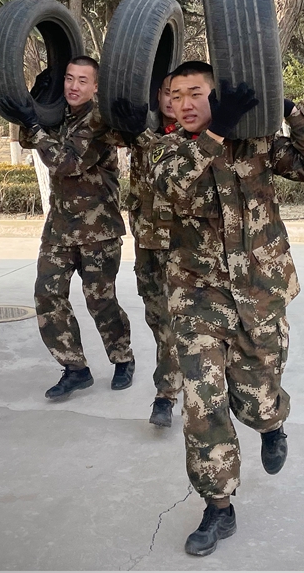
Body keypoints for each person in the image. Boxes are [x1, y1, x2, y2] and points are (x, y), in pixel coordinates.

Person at [151, 60, 304, 556]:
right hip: (198, 297)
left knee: (255, 400)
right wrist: (215, 134)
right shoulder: (167, 149)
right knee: (203, 403)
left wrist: (288, 110)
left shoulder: (257, 143)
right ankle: (218, 506)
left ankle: (271, 424)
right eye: (176, 95)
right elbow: (172, 185)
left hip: (260, 291)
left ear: (217, 94)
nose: (185, 103)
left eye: (196, 93)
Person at [3, 56, 146, 399]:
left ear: (96, 86)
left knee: (100, 300)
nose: (73, 86)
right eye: (69, 78)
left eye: (83, 80)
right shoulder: (58, 115)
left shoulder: (99, 121)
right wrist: (34, 107)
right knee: (47, 294)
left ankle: (122, 358)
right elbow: (28, 141)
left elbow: (66, 163)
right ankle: (75, 368)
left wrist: (35, 124)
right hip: (60, 228)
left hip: (99, 230)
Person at [123, 74, 183, 427]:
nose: (173, 100)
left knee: (177, 322)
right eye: (167, 92)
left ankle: (166, 394)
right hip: (147, 244)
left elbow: (163, 151)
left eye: (181, 94)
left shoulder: (198, 136)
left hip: (184, 246)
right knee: (159, 319)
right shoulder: (139, 129)